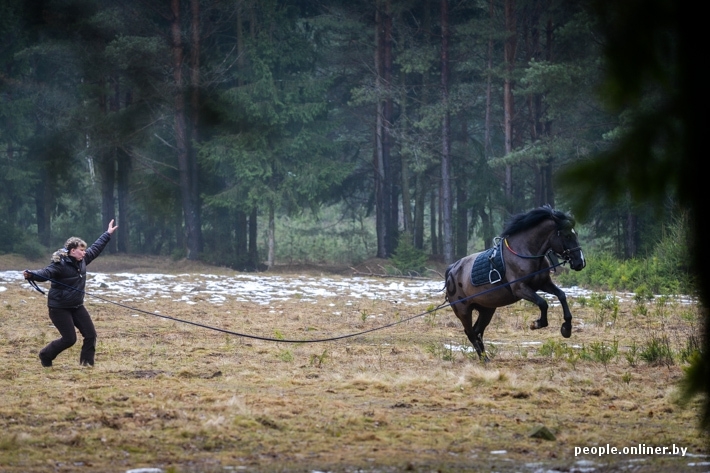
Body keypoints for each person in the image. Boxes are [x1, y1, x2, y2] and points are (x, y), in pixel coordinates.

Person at [23, 220, 118, 367]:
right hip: (59, 308)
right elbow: (45, 273)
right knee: (69, 339)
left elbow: (96, 248)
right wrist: (32, 274)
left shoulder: (83, 260)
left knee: (91, 335)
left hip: (77, 306)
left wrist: (108, 234)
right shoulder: (59, 265)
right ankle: (45, 355)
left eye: (84, 250)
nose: (84, 252)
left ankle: (86, 365)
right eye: (81, 250)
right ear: (72, 251)